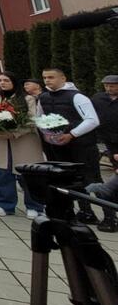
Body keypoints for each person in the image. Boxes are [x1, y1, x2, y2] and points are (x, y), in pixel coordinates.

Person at [39, 67, 101, 225]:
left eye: (51, 77)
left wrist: (72, 134)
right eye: (45, 77)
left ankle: (109, 215)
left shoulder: (77, 96)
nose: (47, 80)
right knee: (67, 179)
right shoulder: (44, 97)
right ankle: (84, 212)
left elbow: (92, 120)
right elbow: (40, 117)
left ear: (63, 78)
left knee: (91, 179)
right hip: (58, 145)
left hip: (82, 145)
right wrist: (47, 133)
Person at [0, 71, 45, 218]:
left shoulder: (27, 98)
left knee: (27, 175)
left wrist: (14, 133)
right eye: (0, 80)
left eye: (6, 80)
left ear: (14, 81)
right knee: (3, 173)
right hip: (2, 141)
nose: (2, 83)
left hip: (24, 141)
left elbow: (32, 120)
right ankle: (5, 204)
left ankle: (34, 206)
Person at [92, 75, 118, 233]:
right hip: (108, 142)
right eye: (106, 85)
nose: (109, 88)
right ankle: (110, 216)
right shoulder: (98, 98)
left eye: (113, 86)